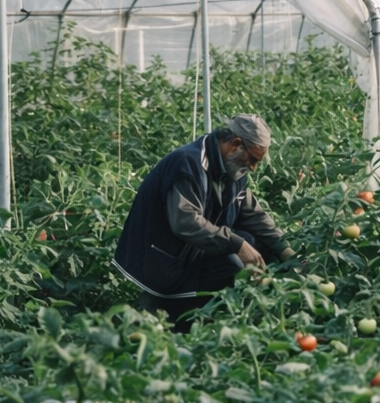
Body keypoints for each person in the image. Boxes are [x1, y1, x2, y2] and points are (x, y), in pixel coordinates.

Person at [114, 113, 294, 329]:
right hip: (162, 253)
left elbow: (252, 213)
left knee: (255, 244)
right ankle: (184, 321)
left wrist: (285, 250)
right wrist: (237, 245)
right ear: (236, 144)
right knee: (234, 260)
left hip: (195, 247)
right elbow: (187, 222)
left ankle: (201, 315)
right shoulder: (188, 163)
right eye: (253, 159)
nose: (254, 167)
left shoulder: (233, 168)